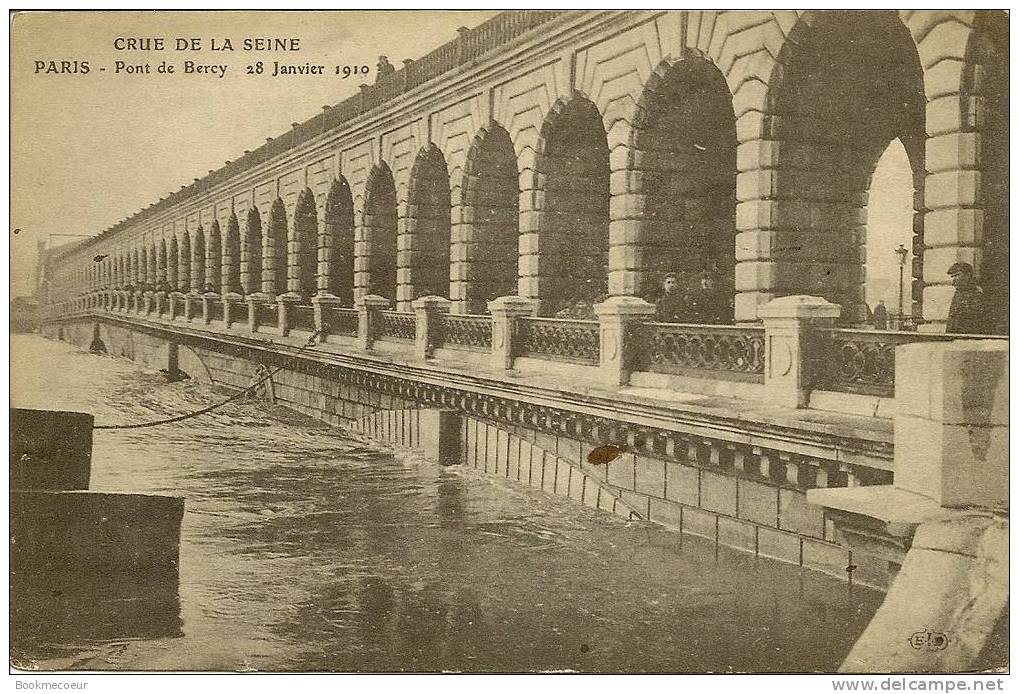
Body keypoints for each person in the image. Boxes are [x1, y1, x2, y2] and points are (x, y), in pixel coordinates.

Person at [946, 262, 987, 334]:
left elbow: (976, 321)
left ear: (967, 275)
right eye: (952, 276)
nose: (954, 279)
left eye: (957, 275)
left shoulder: (976, 294)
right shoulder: (958, 294)